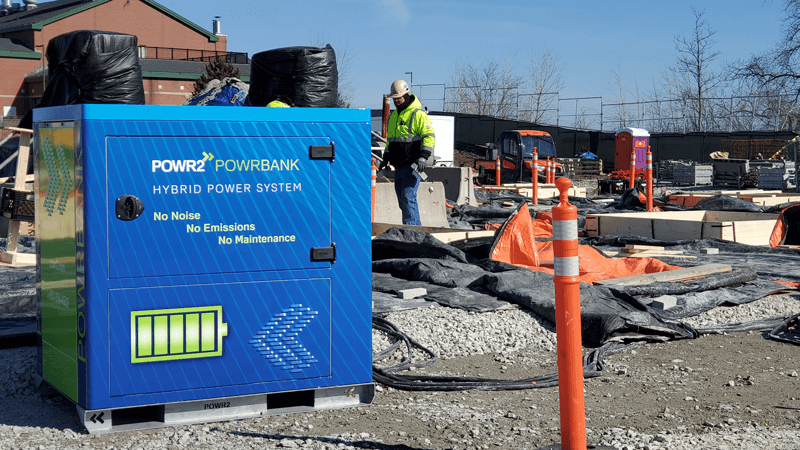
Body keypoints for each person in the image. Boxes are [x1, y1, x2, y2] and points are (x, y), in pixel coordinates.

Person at [379, 79, 435, 225]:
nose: (396, 101)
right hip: (399, 165)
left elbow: (429, 137)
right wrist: (386, 157)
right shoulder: (393, 117)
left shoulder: (418, 115)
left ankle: (413, 231)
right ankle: (410, 227)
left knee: (408, 195)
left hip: (412, 165)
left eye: (398, 98)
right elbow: (390, 141)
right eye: (394, 99)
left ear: (406, 94)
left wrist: (423, 156)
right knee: (401, 198)